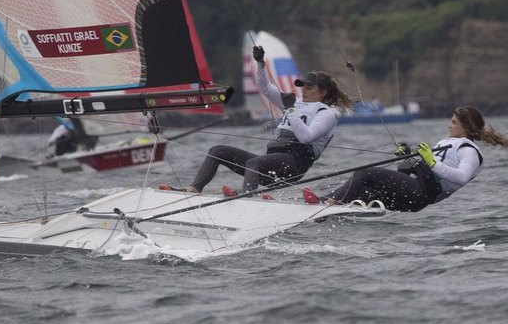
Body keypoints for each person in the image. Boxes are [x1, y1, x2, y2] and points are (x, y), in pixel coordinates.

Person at [161, 45, 352, 194]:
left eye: (310, 87)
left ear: (323, 91)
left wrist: (292, 111)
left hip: (294, 165)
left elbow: (306, 137)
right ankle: (194, 189)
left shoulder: (326, 113)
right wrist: (260, 63)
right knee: (217, 151)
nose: (304, 90)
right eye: (303, 86)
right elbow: (265, 88)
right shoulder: (294, 102)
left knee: (255, 163)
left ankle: (246, 197)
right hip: (271, 162)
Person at [304, 106, 508, 211]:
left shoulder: (469, 151)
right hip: (414, 189)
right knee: (361, 190)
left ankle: (326, 203)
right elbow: (406, 173)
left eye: (454, 122)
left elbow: (461, 177)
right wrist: (406, 158)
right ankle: (315, 205)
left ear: (466, 127)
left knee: (364, 173)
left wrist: (431, 161)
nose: (449, 125)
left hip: (422, 194)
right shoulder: (447, 142)